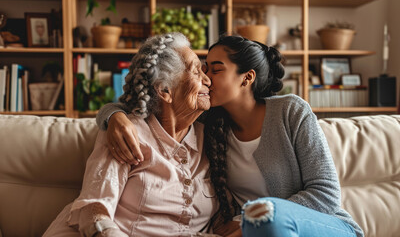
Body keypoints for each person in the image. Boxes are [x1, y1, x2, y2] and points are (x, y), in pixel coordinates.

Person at [96, 35, 363, 237]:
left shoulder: (290, 111)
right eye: (202, 69)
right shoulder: (209, 122)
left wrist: (248, 221)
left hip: (323, 227)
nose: (206, 79)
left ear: (246, 78)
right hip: (255, 232)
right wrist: (113, 116)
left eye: (215, 69)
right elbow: (149, 99)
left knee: (269, 218)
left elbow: (326, 194)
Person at [43, 33, 218, 237]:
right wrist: (113, 114)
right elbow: (94, 211)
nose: (208, 80)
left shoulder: (212, 137)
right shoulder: (126, 134)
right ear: (165, 90)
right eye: (196, 72)